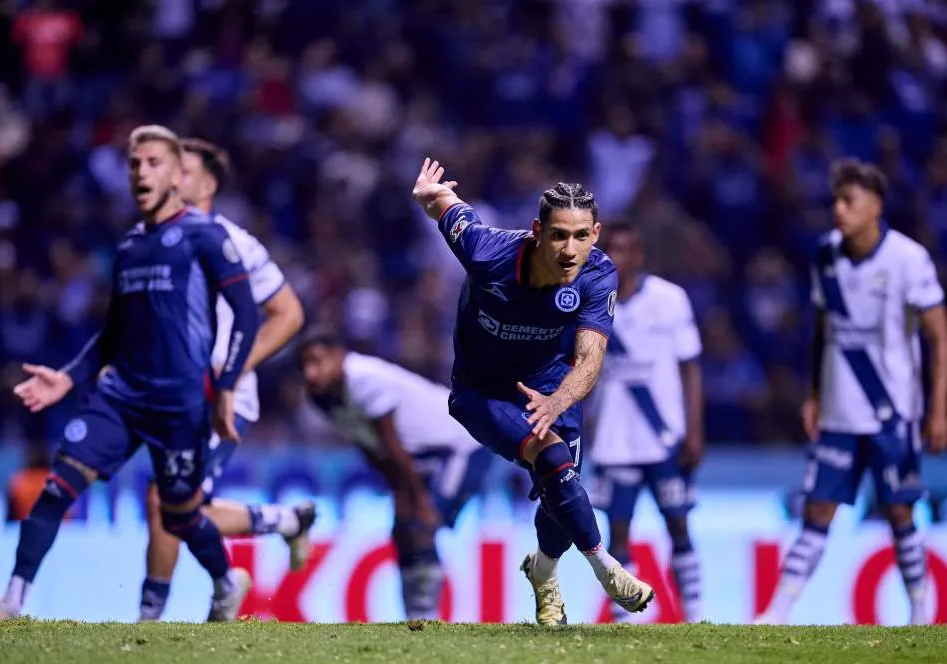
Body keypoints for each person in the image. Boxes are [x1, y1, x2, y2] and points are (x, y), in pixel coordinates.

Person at [0, 125, 260, 623]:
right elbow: (114, 331)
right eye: (135, 163)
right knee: (58, 485)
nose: (142, 172)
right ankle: (11, 600)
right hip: (120, 396)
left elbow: (247, 315)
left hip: (179, 404)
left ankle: (227, 582)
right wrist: (68, 378)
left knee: (181, 514)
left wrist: (225, 391)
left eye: (154, 162)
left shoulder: (205, 237)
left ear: (176, 175)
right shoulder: (128, 248)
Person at [410, 158, 654, 626]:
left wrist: (556, 401)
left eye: (581, 236)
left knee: (562, 491)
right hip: (481, 392)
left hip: (549, 388)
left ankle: (542, 572)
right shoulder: (488, 253)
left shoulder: (598, 275)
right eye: (559, 234)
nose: (569, 249)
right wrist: (430, 195)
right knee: (552, 459)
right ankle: (608, 570)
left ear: (596, 234)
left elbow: (589, 359)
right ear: (537, 230)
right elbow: (450, 207)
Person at [756, 159, 947, 625]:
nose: (838, 210)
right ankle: (777, 610)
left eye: (849, 201)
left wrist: (938, 410)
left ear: (876, 206)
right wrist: (815, 394)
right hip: (840, 411)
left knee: (901, 511)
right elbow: (823, 328)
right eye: (835, 201)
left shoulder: (907, 259)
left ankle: (921, 609)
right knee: (818, 508)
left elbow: (939, 334)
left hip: (891, 411)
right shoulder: (825, 255)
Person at [138, 137, 314, 622]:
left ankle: (149, 620)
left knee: (166, 498)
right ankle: (286, 520)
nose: (173, 179)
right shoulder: (154, 238)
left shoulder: (233, 241)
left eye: (185, 171)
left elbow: (289, 313)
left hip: (220, 396)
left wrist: (235, 368)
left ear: (209, 183)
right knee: (180, 505)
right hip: (170, 393)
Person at [297, 328, 492, 620]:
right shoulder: (322, 398)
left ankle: (426, 613)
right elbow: (370, 447)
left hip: (459, 444)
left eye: (318, 362)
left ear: (339, 356)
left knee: (422, 522)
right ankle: (415, 613)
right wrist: (399, 490)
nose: (312, 373)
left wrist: (419, 500)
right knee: (403, 527)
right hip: (419, 455)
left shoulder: (364, 379)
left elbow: (391, 443)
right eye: (305, 367)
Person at [590, 222, 704, 622]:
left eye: (626, 249)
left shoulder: (671, 300)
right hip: (614, 438)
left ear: (639, 255)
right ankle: (626, 620)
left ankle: (695, 616)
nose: (618, 257)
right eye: (611, 249)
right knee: (617, 533)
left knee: (679, 525)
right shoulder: (589, 301)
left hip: (665, 438)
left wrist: (695, 431)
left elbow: (690, 368)